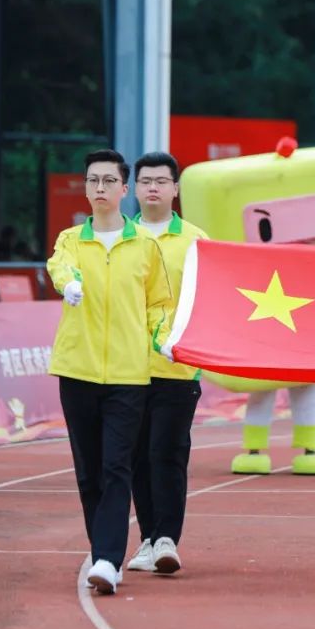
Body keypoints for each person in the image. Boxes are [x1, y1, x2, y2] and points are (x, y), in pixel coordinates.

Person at [46, 149, 172, 594]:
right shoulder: (70, 241)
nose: (100, 188)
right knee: (89, 472)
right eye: (92, 181)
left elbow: (158, 304)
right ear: (86, 188)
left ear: (124, 189)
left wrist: (162, 339)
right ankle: (104, 550)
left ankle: (106, 559)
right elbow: (58, 266)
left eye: (108, 181)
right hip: (76, 369)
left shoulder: (145, 246)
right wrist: (68, 283)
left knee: (117, 466)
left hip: (128, 374)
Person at [125, 152, 209, 576]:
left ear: (176, 189)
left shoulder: (196, 241)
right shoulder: (121, 237)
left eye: (161, 181)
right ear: (134, 189)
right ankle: (147, 538)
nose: (153, 188)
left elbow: (213, 297)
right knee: (137, 456)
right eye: (146, 181)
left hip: (177, 367)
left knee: (167, 452)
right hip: (126, 367)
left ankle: (166, 539)